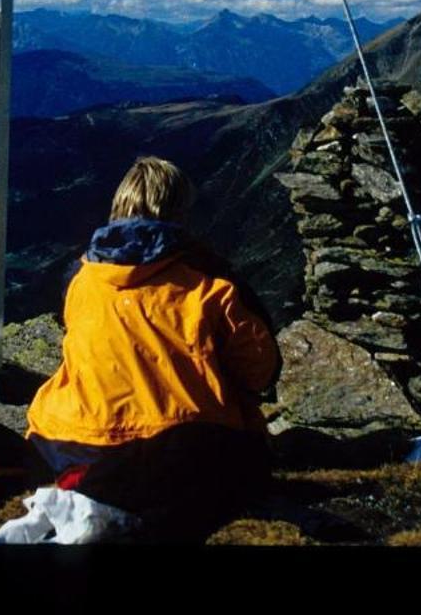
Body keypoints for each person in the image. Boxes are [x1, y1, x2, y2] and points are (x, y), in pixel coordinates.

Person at [22, 155, 281, 539]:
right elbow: (261, 371)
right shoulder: (211, 283)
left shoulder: (81, 279)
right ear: (180, 212)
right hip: (182, 452)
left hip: (70, 447)